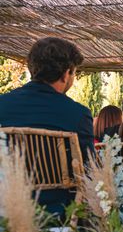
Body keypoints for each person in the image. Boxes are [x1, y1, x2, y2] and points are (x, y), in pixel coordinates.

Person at [0, 37, 93, 215]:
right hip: (57, 214)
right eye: (74, 74)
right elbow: (88, 172)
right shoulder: (78, 114)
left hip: (5, 211)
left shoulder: (2, 104)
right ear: (66, 74)